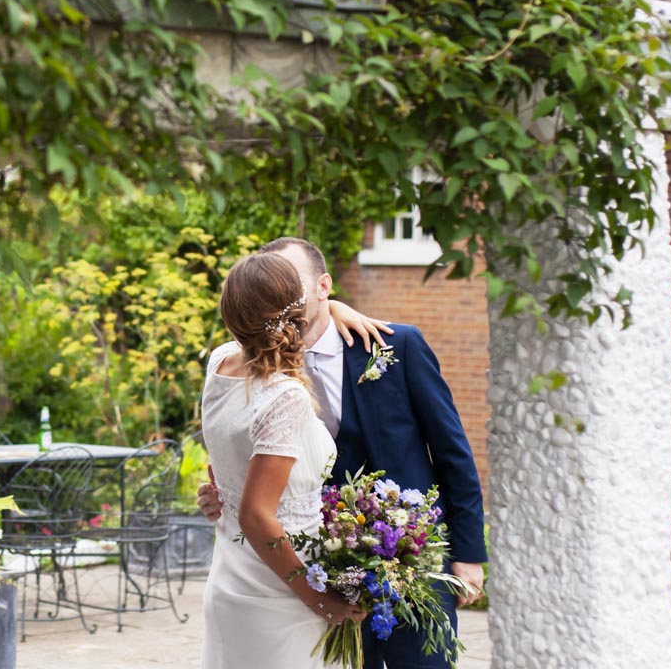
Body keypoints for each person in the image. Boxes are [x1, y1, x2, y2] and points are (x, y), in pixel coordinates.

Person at [200, 237, 487, 669]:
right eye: (275, 285)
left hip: (409, 557)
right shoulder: (262, 375)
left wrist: (467, 555)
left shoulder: (396, 347)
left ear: (322, 287)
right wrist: (222, 490)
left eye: (292, 283)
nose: (282, 292)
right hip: (320, 570)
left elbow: (453, 453)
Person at [200, 250, 364, 668]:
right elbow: (257, 515)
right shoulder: (284, 395)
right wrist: (320, 601)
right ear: (296, 309)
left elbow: (226, 460)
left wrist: (218, 491)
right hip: (282, 595)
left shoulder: (220, 362)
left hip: (230, 580)